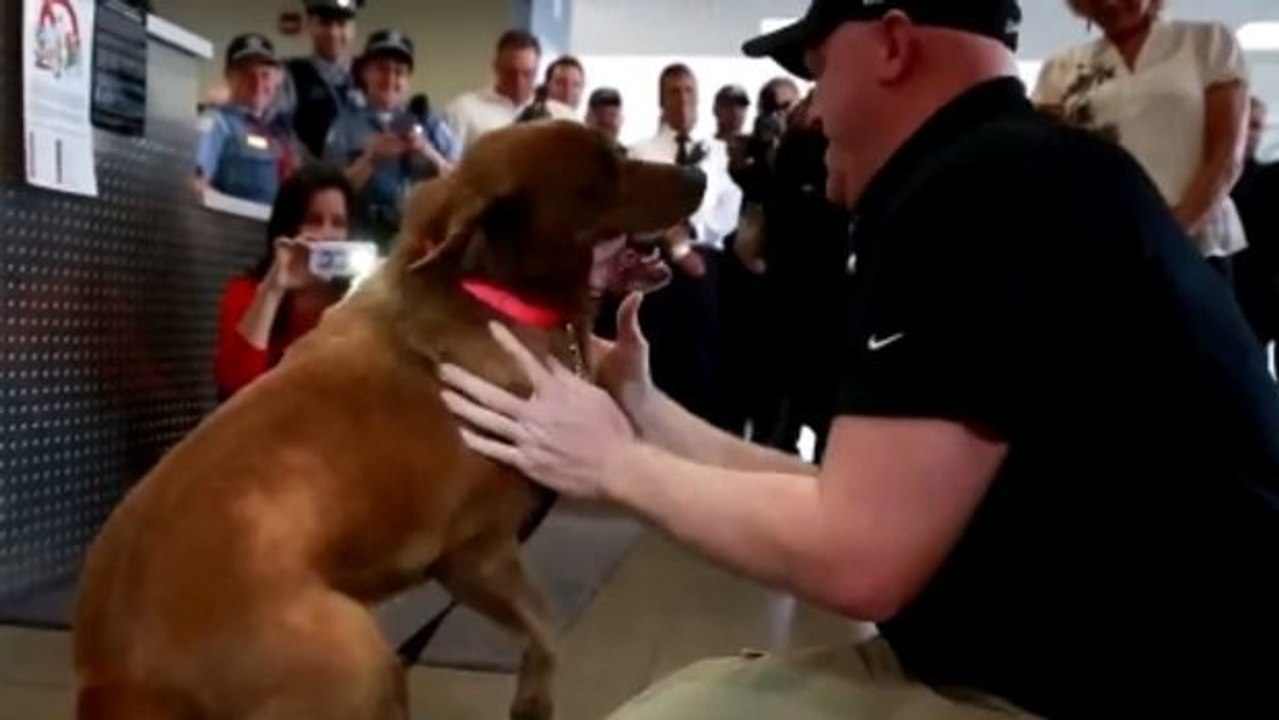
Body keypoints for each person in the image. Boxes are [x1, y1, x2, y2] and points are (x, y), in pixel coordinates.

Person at [438, 0, 1279, 717]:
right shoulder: (1013, 169)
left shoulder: (978, 192)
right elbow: (850, 497)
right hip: (1032, 656)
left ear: (892, 44)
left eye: (818, 67)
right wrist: (645, 415)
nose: (810, 106)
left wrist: (612, 465)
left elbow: (857, 557)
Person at [1034, 0, 1251, 276]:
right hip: (1101, 251)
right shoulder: (1060, 69)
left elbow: (1225, 153)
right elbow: (1051, 164)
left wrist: (1170, 237)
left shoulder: (1206, 42)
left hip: (1195, 245)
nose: (1110, 3)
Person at [629, 63, 743, 429]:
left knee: (704, 359)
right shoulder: (640, 151)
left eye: (688, 91)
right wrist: (674, 241)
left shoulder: (717, 153)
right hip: (657, 262)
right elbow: (637, 208)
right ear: (661, 100)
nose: (682, 100)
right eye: (673, 92)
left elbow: (729, 206)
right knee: (658, 356)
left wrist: (694, 230)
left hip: (705, 263)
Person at [214, 164, 356, 400]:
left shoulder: (357, 300)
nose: (326, 234)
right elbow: (235, 386)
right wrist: (273, 289)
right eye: (313, 220)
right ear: (289, 226)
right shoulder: (247, 292)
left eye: (338, 223)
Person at [324, 30, 459, 251]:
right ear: (366, 73)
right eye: (382, 69)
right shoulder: (344, 126)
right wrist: (370, 160)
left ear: (409, 80)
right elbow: (329, 193)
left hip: (419, 242)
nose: (390, 79)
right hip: (362, 240)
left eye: (400, 72)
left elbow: (459, 181)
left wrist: (428, 152)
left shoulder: (431, 123)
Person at [194, 33, 300, 205]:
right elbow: (195, 186)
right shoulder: (216, 124)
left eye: (265, 75)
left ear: (276, 79)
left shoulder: (281, 133)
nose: (257, 84)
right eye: (246, 74)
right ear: (229, 76)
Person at [444, 30, 576, 149]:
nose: (519, 82)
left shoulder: (562, 116)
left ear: (537, 70)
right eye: (510, 73)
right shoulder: (462, 111)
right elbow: (448, 169)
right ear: (496, 67)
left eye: (527, 74)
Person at [277, 0, 363, 159]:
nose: (333, 33)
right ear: (310, 26)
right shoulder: (291, 74)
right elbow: (282, 133)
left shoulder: (370, 71)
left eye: (341, 24)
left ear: (353, 29)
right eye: (325, 23)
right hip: (313, 178)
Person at [1232, 96, 1279, 359]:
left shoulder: (1271, 183)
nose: (1249, 133)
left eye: (1256, 126)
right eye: (1245, 123)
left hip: (1257, 309)